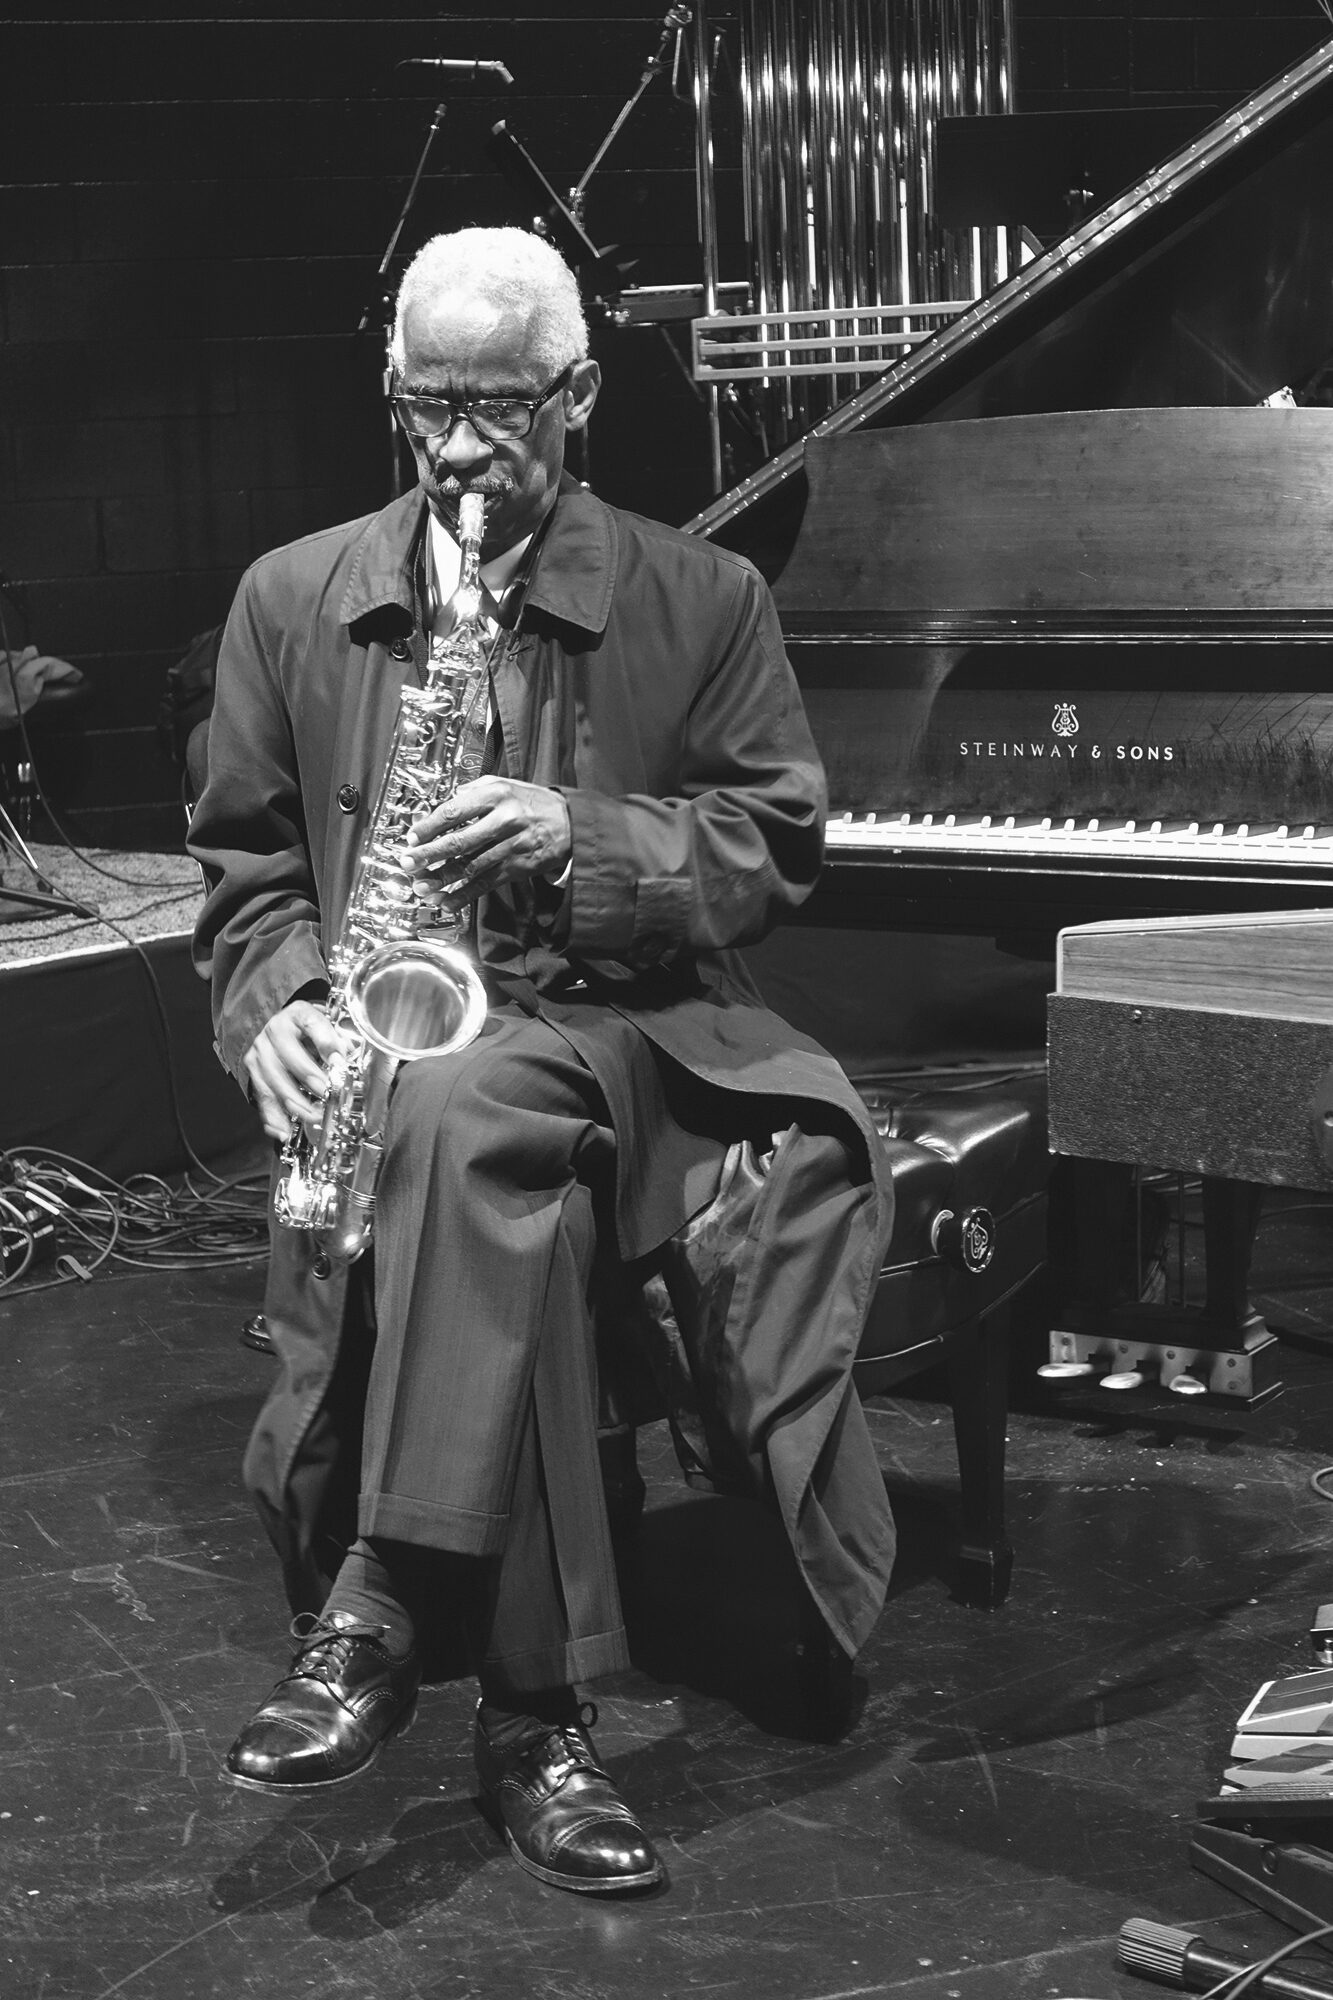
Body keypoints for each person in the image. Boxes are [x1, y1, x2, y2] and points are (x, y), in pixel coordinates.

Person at [189, 226, 896, 1895]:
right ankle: (534, 1722)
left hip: (636, 1034)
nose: (456, 450)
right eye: (425, 405)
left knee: (459, 1099)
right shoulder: (288, 598)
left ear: (577, 392)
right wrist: (277, 1003)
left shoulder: (704, 591)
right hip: (425, 1060)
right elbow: (244, 880)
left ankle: (377, 1594)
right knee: (518, 1196)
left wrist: (583, 832)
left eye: (499, 408)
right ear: (391, 389)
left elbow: (769, 847)